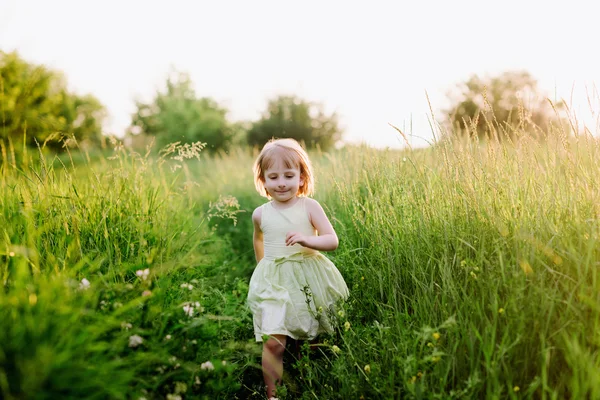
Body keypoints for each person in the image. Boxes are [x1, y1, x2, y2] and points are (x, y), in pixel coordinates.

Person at [246, 138, 349, 400]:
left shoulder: (309, 206)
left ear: (302, 178)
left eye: (289, 175)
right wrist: (263, 265)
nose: (281, 182)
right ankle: (272, 395)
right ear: (264, 181)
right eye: (274, 176)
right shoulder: (260, 213)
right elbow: (258, 238)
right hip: (275, 279)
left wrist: (307, 240)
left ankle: (308, 381)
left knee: (310, 337)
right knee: (273, 342)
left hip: (306, 274)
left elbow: (331, 240)